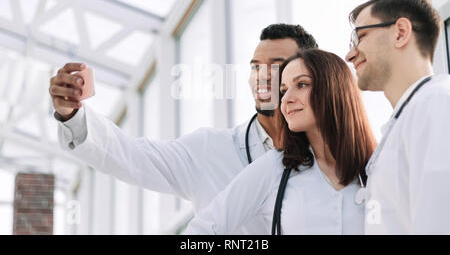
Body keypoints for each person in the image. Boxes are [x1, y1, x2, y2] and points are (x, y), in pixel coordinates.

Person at [49, 24, 318, 234]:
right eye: (256, 67)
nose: (262, 75)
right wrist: (73, 114)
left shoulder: (333, 155)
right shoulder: (210, 151)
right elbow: (131, 155)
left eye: (277, 65)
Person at [185, 49, 377, 234]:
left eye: (301, 85)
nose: (286, 100)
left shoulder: (375, 168)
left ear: (334, 88)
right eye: (283, 91)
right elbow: (204, 229)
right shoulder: (274, 168)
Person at [345, 0, 450, 234]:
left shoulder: (437, 104)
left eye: (359, 37)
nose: (349, 54)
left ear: (401, 33)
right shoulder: (411, 116)